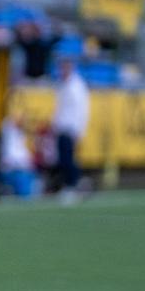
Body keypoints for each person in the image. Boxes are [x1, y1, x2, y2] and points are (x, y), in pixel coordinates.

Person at [53, 58, 89, 202]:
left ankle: (72, 186)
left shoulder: (77, 85)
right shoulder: (63, 84)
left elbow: (82, 110)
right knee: (63, 160)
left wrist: (79, 130)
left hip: (70, 129)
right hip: (62, 127)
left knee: (69, 160)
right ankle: (70, 185)